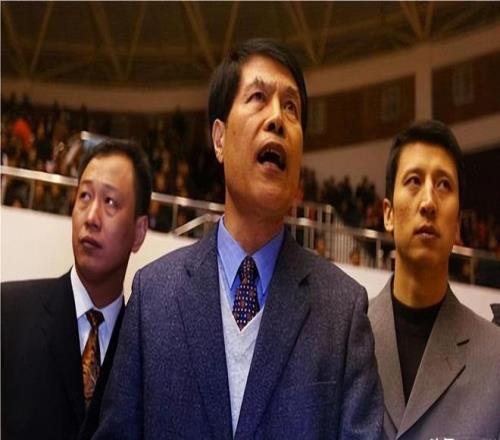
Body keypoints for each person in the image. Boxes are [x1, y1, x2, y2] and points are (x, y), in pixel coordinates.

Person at [94, 38, 382, 439]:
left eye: (291, 107)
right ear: (219, 139)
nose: (277, 118)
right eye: (258, 98)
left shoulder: (342, 311)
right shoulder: (153, 296)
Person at [1, 140, 152, 440]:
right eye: (85, 196)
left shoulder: (146, 352)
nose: (91, 217)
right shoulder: (9, 312)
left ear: (139, 232)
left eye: (110, 202)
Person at [368, 120, 500, 439]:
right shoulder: (348, 337)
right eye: (414, 180)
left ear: (457, 225)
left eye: (443, 185)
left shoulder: (495, 356)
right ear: (388, 214)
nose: (428, 202)